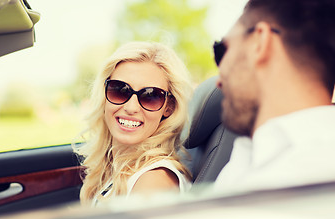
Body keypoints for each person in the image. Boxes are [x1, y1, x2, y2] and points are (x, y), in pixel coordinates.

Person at [212, 0, 335, 193]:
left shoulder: (317, 170)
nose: (218, 81)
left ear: (258, 42)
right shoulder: (247, 157)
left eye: (222, 51)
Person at [74, 41, 193, 206]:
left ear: (169, 107)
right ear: (104, 93)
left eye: (151, 96)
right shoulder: (117, 168)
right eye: (120, 90)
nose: (131, 108)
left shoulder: (154, 181)